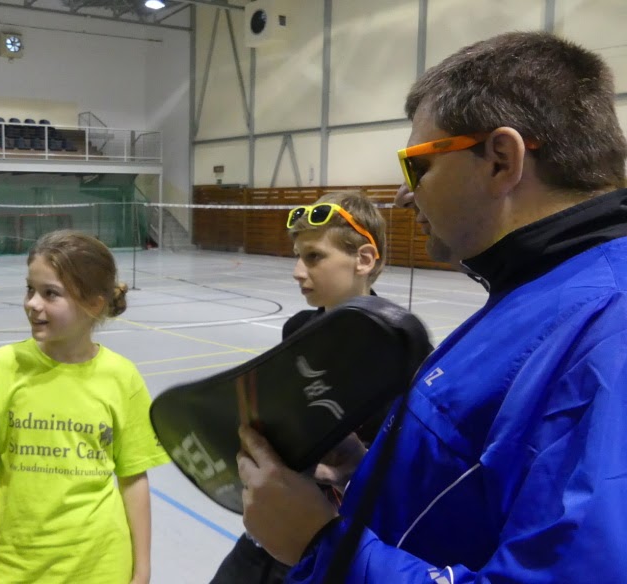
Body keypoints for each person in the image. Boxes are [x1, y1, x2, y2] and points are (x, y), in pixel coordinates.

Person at [236, 31, 627, 583]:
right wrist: (370, 472)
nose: (404, 195)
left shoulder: (610, 330)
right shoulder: (542, 290)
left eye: (417, 166)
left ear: (501, 160)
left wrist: (322, 545)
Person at [0, 230, 170, 584]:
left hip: (100, 565)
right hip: (12, 565)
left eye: (50, 293)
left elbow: (133, 479)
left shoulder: (122, 377)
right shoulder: (1, 368)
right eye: (30, 289)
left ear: (93, 304)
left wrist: (142, 570)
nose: (32, 303)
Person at [211, 192, 387, 584]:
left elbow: (398, 465)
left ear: (363, 260)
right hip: (270, 527)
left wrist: (352, 469)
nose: (297, 271)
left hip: (332, 536)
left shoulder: (399, 354)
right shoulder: (298, 329)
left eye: (314, 256)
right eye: (297, 255)